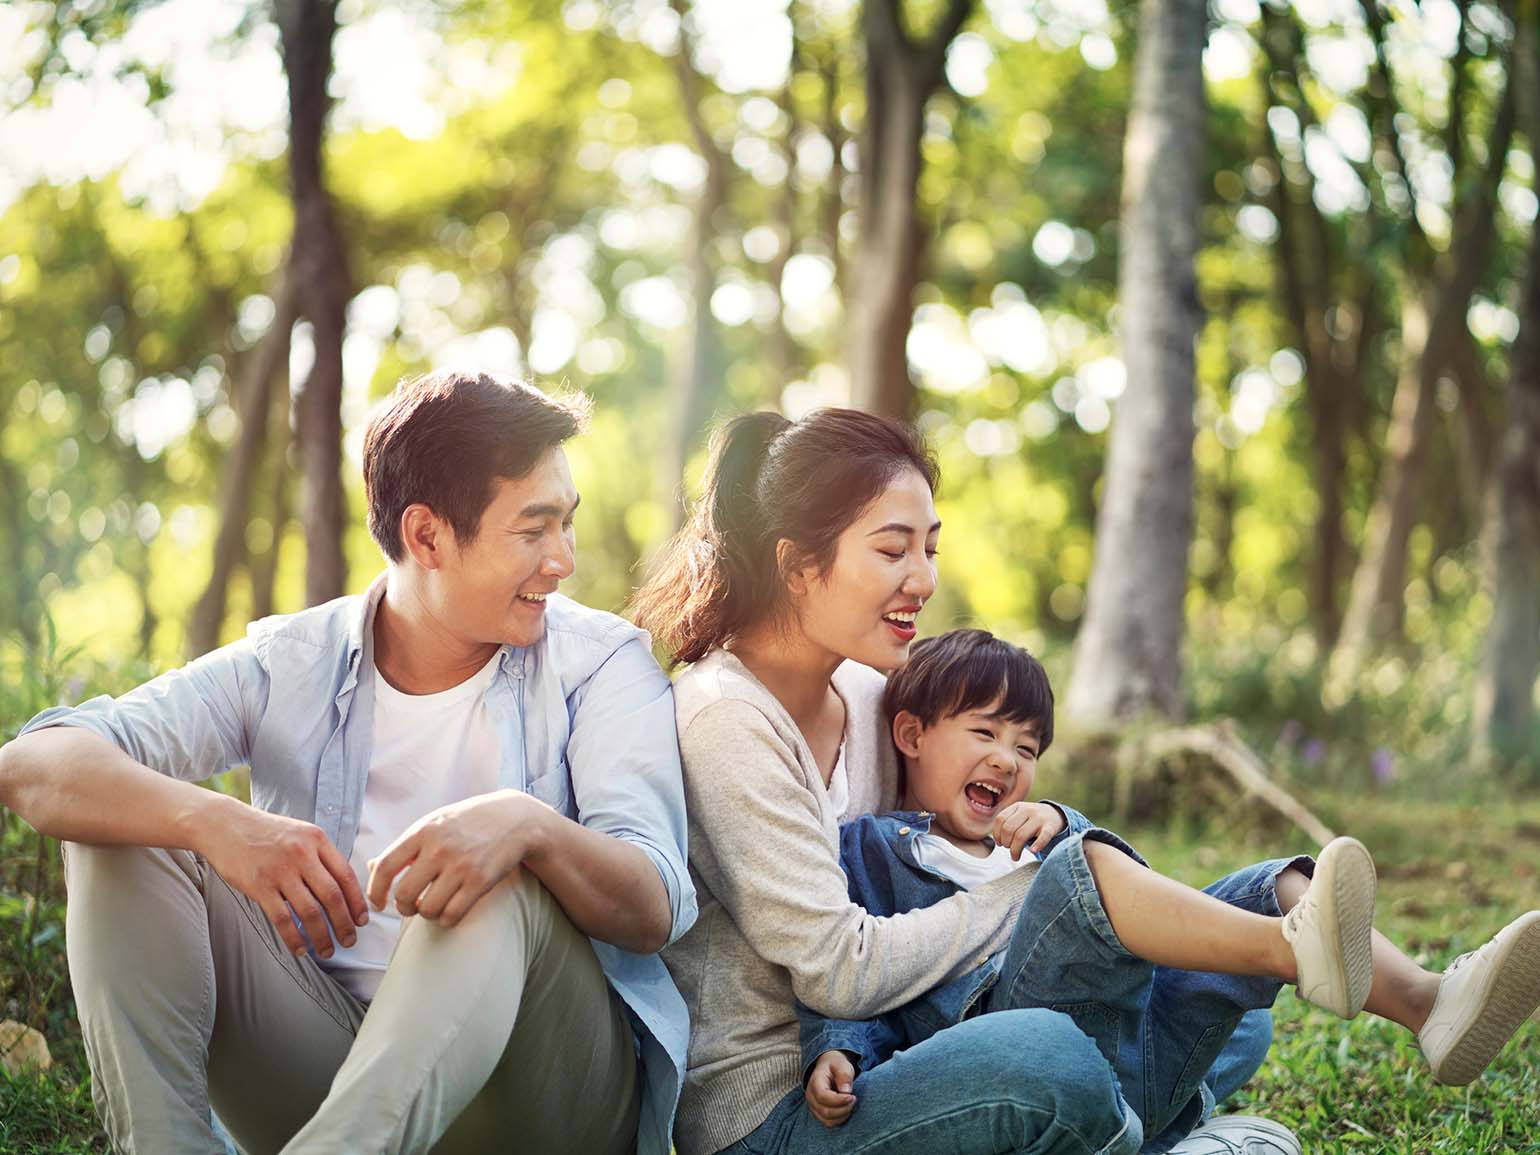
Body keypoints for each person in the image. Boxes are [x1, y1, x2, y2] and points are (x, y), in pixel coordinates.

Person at [0, 370, 696, 1155]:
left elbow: (656, 902)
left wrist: (526, 826)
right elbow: (32, 763)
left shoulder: (601, 664)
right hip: (330, 1066)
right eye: (533, 530)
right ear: (427, 535)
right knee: (122, 824)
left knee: (499, 870)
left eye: (567, 523)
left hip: (538, 1092)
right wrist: (218, 822)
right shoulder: (291, 661)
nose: (563, 558)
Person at [632, 406, 1295, 1155]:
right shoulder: (725, 719)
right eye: (893, 550)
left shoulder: (870, 691)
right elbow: (841, 971)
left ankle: (1133, 1119)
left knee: (1229, 1009)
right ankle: (1156, 1130)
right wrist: (1040, 895)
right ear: (796, 566)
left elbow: (952, 834)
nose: (924, 578)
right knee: (1052, 1057)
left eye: (930, 548)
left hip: (922, 1036)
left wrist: (1050, 854)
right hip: (793, 1110)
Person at [800, 628, 1540, 1138]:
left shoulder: (1041, 832)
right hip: (1022, 1047)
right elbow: (857, 967)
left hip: (1123, 1048)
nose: (1007, 759)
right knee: (1087, 874)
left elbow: (1130, 891)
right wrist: (839, 1045)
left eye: (1027, 746)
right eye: (986, 732)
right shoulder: (875, 847)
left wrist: (1061, 818)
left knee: (1271, 888)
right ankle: (1253, 1016)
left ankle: (1429, 1003)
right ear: (911, 733)